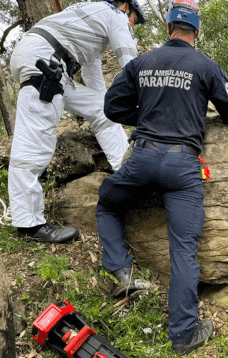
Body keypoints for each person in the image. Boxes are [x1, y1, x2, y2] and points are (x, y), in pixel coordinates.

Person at [95, 0, 228, 357]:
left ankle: (121, 272)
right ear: (196, 31)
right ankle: (183, 336)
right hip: (182, 168)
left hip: (143, 158)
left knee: (106, 204)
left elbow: (111, 107)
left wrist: (146, 116)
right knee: (183, 252)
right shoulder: (205, 66)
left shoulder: (141, 63)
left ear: (168, 29)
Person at [8, 0, 145, 243]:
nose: (133, 26)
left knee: (103, 110)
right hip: (45, 60)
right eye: (135, 20)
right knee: (36, 139)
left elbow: (96, 85)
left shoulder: (91, 25)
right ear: (125, 6)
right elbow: (131, 64)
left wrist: (112, 109)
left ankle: (124, 169)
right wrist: (150, 105)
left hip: (49, 59)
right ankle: (29, 224)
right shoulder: (114, 15)